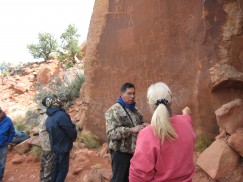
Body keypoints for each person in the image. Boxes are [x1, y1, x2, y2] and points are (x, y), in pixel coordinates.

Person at [129, 82, 196, 182]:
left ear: (150, 105)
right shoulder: (186, 122)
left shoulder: (147, 134)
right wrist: (185, 114)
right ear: (171, 101)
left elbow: (138, 176)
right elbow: (185, 118)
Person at [105, 82, 147, 182]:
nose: (132, 96)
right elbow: (111, 134)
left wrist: (145, 126)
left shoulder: (135, 110)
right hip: (120, 153)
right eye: (129, 93)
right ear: (122, 94)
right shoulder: (113, 110)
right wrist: (131, 130)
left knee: (130, 179)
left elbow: (140, 124)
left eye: (133, 93)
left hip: (134, 153)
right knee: (118, 179)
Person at [42, 95, 77, 182]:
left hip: (55, 147)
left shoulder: (49, 117)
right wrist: (74, 135)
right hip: (63, 147)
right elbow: (70, 131)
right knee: (63, 170)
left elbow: (48, 131)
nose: (59, 101)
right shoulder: (61, 115)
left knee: (56, 168)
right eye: (56, 100)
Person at [38, 108, 55, 182]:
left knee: (43, 164)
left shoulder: (41, 115)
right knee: (49, 165)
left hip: (43, 145)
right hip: (48, 145)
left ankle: (42, 179)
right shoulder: (48, 116)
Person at [0, 107, 15, 182]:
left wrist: (9, 141)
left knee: (2, 162)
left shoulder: (7, 120)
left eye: (0, 112)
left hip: (3, 145)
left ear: (2, 112)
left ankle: (0, 177)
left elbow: (12, 132)